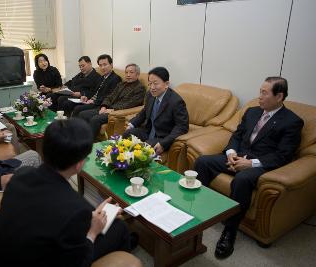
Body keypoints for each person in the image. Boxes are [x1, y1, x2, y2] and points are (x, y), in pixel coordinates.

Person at [0, 118, 134, 267]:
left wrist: (89, 216)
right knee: (119, 227)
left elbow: (44, 213)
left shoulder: (20, 176)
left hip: (3, 258)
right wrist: (92, 232)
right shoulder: (75, 206)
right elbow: (78, 261)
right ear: (79, 164)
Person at [194, 77, 304, 259]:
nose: (259, 96)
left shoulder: (292, 121)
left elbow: (283, 155)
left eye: (264, 93)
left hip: (260, 164)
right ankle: (196, 208)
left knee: (242, 180)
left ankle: (229, 231)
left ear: (279, 96)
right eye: (260, 91)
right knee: (203, 161)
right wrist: (231, 152)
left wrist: (250, 163)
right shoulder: (252, 111)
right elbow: (237, 135)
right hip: (237, 157)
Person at [123, 67, 189, 155]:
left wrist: (164, 143)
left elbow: (182, 127)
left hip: (162, 136)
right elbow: (144, 111)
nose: (152, 87)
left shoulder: (176, 101)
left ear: (166, 84)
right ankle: (122, 161)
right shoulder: (150, 94)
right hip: (148, 132)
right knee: (127, 134)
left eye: (155, 83)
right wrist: (132, 124)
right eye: (150, 84)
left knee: (144, 149)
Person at [78, 63, 146, 137]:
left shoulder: (139, 88)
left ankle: (88, 142)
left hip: (116, 112)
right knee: (83, 114)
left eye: (131, 72)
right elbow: (110, 96)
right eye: (126, 72)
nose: (128, 75)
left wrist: (113, 109)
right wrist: (104, 106)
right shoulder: (121, 84)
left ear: (137, 74)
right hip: (107, 108)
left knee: (95, 119)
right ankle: (80, 137)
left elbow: (130, 103)